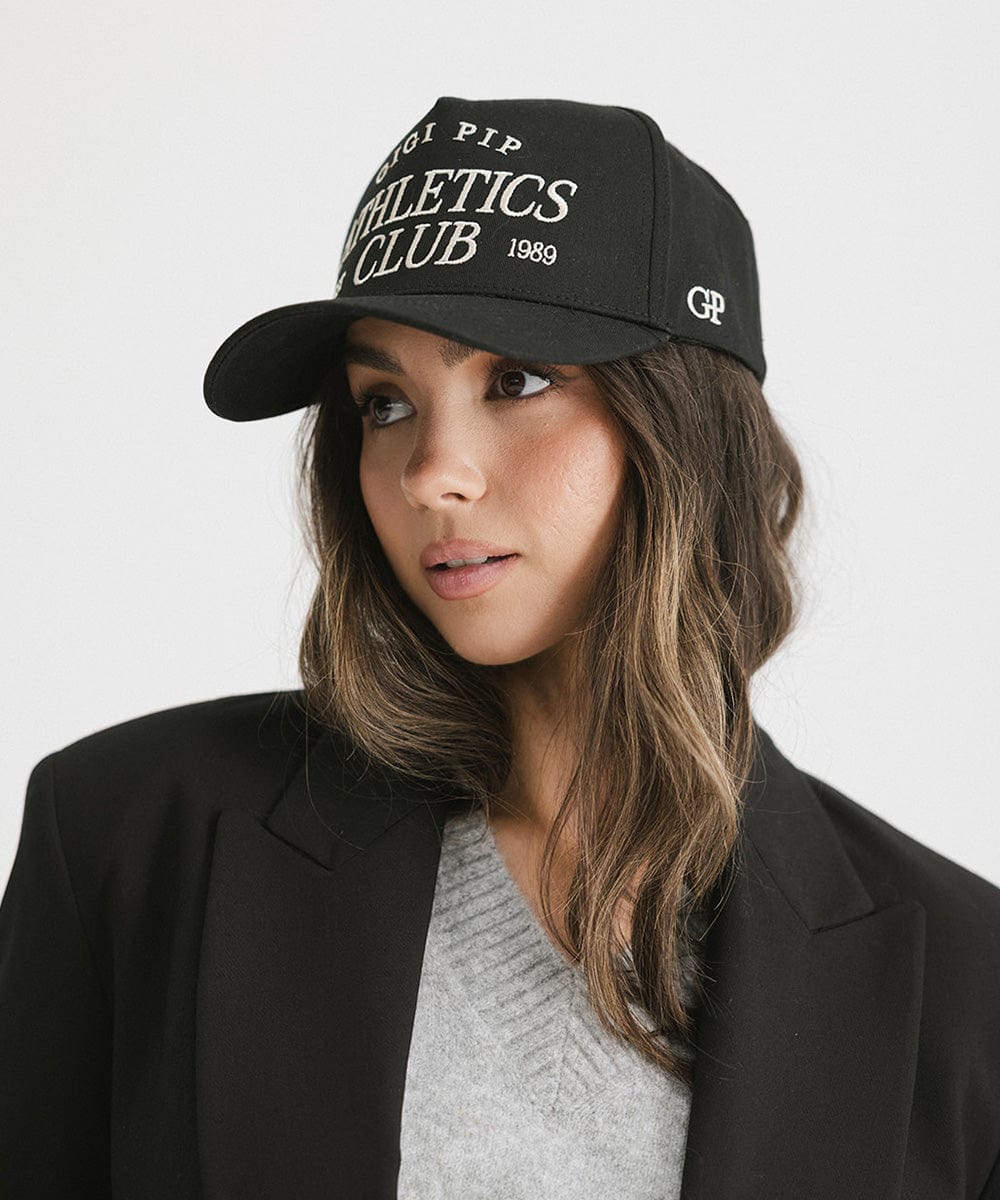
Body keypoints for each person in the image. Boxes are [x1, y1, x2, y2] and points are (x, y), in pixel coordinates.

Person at [1, 95, 998, 1200]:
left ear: (683, 430)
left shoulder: (965, 986)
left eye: (514, 380)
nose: (431, 472)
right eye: (384, 403)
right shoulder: (126, 839)